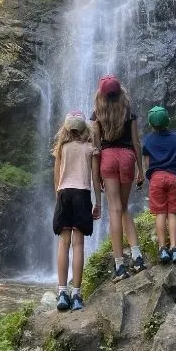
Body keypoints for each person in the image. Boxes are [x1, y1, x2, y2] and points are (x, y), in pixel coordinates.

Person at [91, 74, 146, 281]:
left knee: (114, 210)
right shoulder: (129, 111)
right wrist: (140, 169)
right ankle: (138, 257)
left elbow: (96, 147)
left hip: (107, 158)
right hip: (127, 158)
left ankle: (120, 265)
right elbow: (136, 142)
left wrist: (96, 175)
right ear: (120, 92)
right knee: (124, 207)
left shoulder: (96, 115)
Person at [52, 112, 101, 311]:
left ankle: (62, 293)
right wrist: (98, 203)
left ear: (66, 129)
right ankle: (77, 295)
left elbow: (56, 179)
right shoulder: (90, 148)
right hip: (82, 194)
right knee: (78, 244)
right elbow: (96, 178)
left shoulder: (61, 148)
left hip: (64, 194)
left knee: (63, 244)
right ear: (84, 129)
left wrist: (59, 199)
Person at [142, 106, 176, 264]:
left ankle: (162, 249)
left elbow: (147, 163)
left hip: (156, 178)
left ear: (150, 124)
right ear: (168, 120)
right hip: (173, 176)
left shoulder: (147, 140)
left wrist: (152, 174)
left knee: (160, 213)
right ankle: (174, 248)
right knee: (172, 213)